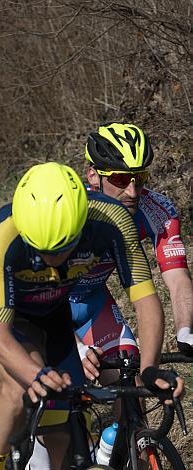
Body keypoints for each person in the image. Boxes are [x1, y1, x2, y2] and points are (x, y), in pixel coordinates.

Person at [0, 162, 184, 469]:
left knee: (65, 425)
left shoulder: (113, 220)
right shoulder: (3, 234)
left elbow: (145, 300)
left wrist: (151, 367)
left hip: (51, 315)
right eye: (40, 249)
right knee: (17, 381)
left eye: (62, 248)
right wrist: (32, 372)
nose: (50, 259)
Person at [70, 123, 193, 362]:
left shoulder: (158, 210)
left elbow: (178, 279)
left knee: (129, 376)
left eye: (139, 178)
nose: (133, 191)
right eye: (120, 179)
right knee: (57, 388)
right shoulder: (72, 212)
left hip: (93, 301)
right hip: (43, 303)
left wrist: (186, 329)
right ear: (93, 175)